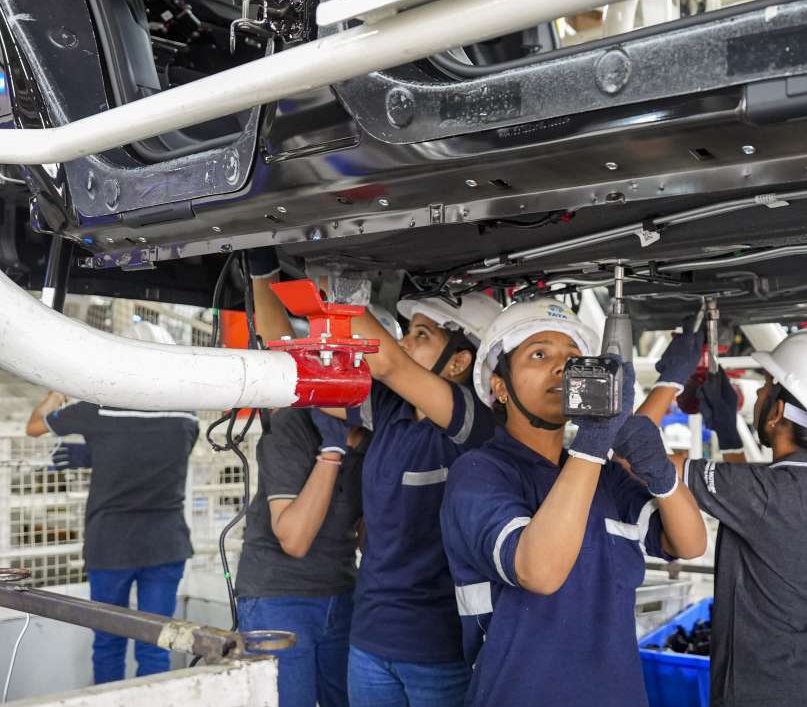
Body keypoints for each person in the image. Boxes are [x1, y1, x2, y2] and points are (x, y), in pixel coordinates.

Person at [248, 250, 501, 707]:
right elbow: (288, 369)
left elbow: (391, 365)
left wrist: (341, 290)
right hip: (369, 642)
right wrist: (263, 278)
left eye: (421, 335)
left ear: (459, 362)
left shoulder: (472, 424)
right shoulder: (390, 412)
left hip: (437, 650)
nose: (404, 343)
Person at [439, 298, 708, 707]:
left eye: (573, 358)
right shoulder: (479, 473)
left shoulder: (604, 476)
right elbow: (539, 572)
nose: (561, 368)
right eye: (539, 354)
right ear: (500, 387)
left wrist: (661, 475)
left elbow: (689, 544)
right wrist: (593, 443)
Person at [687, 327, 807, 707]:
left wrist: (667, 382)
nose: (758, 395)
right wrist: (728, 431)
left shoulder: (769, 495)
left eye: (765, 386)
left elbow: (650, 463)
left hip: (759, 691)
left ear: (777, 413)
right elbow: (751, 505)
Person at [25, 321, 198, 684]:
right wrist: (102, 453)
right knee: (156, 644)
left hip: (110, 544)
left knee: (108, 643)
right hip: (166, 543)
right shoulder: (187, 413)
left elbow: (35, 426)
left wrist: (59, 392)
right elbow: (158, 454)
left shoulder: (97, 410)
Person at [235, 407, 369, 707]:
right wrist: (331, 452)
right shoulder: (292, 423)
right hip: (279, 598)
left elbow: (369, 541)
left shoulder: (377, 430)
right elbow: (294, 540)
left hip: (343, 592)